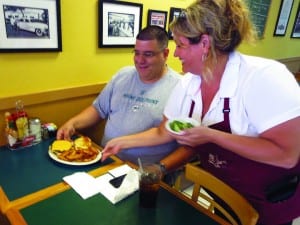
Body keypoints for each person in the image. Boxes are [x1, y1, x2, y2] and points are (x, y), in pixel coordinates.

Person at [101, 1, 300, 224]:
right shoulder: (188, 83)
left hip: (266, 199)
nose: (175, 54)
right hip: (221, 193)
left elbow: (286, 156)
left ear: (205, 43)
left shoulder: (264, 78)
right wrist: (121, 142)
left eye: (181, 45)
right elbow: (163, 132)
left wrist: (211, 135)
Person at [56, 25, 182, 165]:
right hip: (106, 159)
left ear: (165, 54)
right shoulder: (122, 75)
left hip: (145, 171)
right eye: (137, 53)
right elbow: (98, 110)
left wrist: (160, 169)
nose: (140, 60)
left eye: (148, 54)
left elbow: (181, 142)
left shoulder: (180, 87)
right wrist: (72, 123)